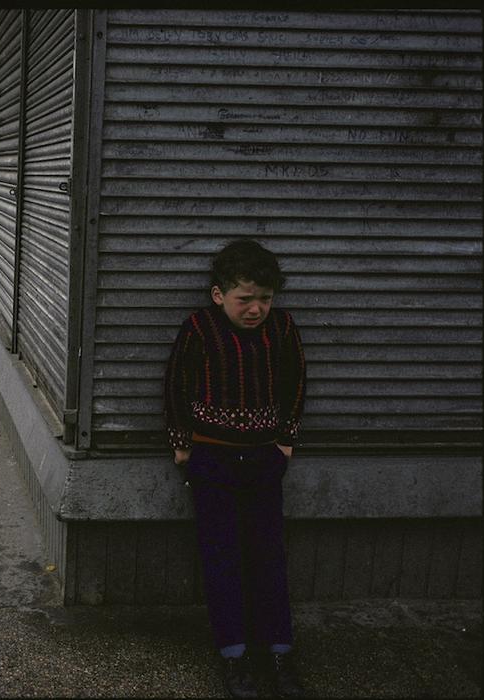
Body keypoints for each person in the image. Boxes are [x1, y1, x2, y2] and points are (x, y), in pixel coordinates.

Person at [163, 239, 307, 698]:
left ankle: (279, 654)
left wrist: (285, 440)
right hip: (212, 461)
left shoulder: (282, 330)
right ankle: (235, 656)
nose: (256, 309)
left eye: (265, 298)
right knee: (222, 556)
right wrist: (183, 445)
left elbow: (295, 382)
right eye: (245, 298)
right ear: (218, 294)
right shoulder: (199, 330)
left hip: (263, 460)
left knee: (268, 556)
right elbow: (176, 386)